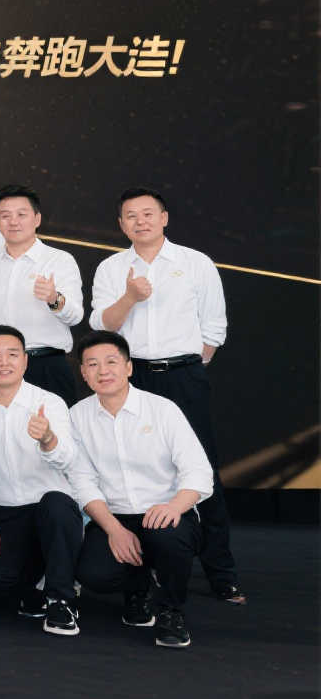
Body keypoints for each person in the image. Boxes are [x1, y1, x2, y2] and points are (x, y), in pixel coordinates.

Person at [89, 187, 240, 604]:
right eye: (130, 216)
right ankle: (147, 566)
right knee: (132, 464)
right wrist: (130, 297)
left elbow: (213, 329)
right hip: (130, 377)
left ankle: (221, 572)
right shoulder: (111, 268)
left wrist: (186, 366)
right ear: (121, 224)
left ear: (164, 218)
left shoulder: (195, 263)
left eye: (147, 213)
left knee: (202, 470)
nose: (140, 221)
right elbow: (103, 325)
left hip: (183, 376)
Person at [67, 331, 213, 649]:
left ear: (129, 367)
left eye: (111, 362)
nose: (103, 371)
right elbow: (82, 481)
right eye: (92, 364)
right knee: (94, 574)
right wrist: (113, 529)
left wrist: (174, 507)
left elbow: (199, 472)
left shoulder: (162, 410)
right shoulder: (77, 416)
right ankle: (138, 587)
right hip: (114, 516)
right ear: (83, 373)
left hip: (166, 511)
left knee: (167, 538)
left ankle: (170, 611)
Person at [0, 325, 84, 636]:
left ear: (25, 361)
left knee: (57, 504)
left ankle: (61, 598)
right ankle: (37, 580)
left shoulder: (49, 402)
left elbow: (69, 459)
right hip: (2, 512)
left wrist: (47, 438)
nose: (4, 362)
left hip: (49, 510)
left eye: (12, 354)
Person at [0, 185, 83, 402]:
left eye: (21, 215)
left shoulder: (59, 260)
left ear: (37, 219)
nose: (13, 222)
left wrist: (54, 298)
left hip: (46, 366)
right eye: (5, 216)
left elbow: (75, 316)